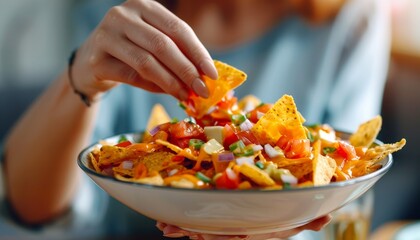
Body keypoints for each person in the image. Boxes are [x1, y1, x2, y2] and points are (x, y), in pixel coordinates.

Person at [0, 0, 390, 239]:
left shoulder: (352, 18)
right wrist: (81, 79)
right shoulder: (116, 13)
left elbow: (346, 180)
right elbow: (34, 211)